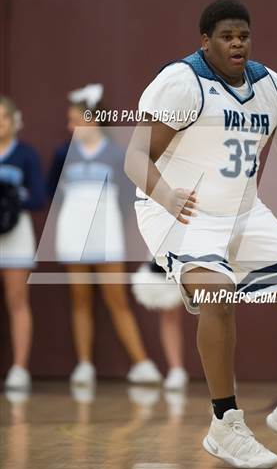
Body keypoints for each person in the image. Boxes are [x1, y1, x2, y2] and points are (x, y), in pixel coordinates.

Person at [125, 0, 277, 469]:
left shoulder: (270, 87)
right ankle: (225, 423)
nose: (237, 43)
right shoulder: (181, 84)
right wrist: (166, 196)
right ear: (205, 41)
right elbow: (134, 159)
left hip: (244, 210)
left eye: (243, 35)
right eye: (226, 36)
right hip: (178, 211)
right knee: (218, 295)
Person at [48, 84, 161, 386]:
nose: (71, 127)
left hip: (107, 234)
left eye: (75, 120)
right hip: (72, 235)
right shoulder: (63, 154)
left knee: (117, 300)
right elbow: (54, 195)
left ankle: (142, 363)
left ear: (92, 119)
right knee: (80, 300)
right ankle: (84, 365)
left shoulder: (116, 154)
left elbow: (127, 198)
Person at [0, 96, 46, 390]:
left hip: (15, 236)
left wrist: (12, 199)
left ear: (14, 121)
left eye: (3, 117)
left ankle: (19, 369)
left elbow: (40, 196)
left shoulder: (26, 155)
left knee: (17, 301)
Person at [132, 260, 188, 391]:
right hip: (168, 247)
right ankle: (176, 369)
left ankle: (221, 373)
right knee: (169, 309)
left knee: (208, 311)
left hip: (201, 248)